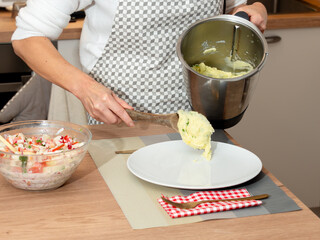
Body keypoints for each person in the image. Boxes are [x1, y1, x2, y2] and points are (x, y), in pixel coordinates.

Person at [11, 0, 267, 127]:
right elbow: (27, 37)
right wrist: (85, 88)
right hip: (121, 121)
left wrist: (254, 9)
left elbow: (235, 7)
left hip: (200, 118)